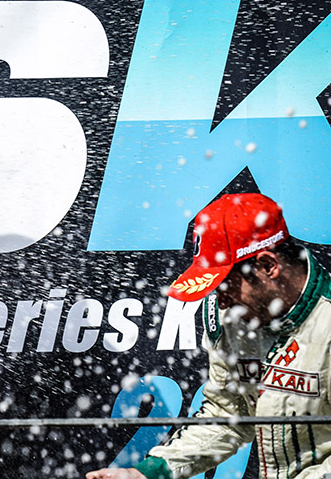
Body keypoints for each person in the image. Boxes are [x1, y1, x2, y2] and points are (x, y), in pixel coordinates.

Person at [86, 193, 331, 479]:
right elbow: (227, 416)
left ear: (268, 266)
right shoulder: (225, 315)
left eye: (226, 285)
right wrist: (147, 473)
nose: (221, 301)